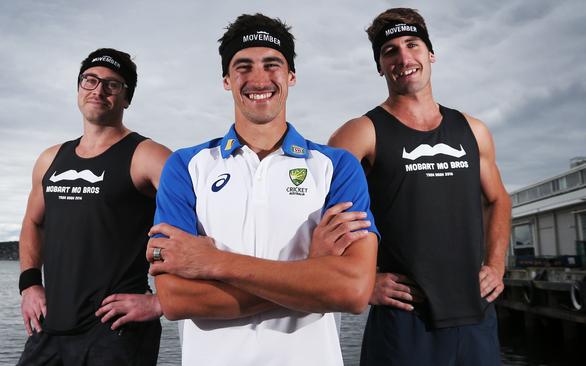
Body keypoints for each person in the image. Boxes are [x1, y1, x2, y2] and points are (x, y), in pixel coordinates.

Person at [146, 13, 380, 366]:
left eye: (272, 64)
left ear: (291, 77)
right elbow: (176, 299)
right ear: (226, 80)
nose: (258, 78)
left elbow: (353, 290)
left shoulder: (337, 167)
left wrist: (215, 263)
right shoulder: (185, 167)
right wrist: (311, 272)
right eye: (243, 66)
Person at [329, 7, 512, 366]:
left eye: (412, 45)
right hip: (404, 322)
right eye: (390, 51)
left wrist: (496, 264)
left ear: (430, 54)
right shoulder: (360, 133)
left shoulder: (473, 130)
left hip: (475, 318)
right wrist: (366, 282)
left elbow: (498, 199)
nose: (403, 57)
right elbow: (314, 212)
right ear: (380, 66)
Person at [17, 48, 171, 365]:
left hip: (115, 331)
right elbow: (34, 223)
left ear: (126, 98)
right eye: (90, 80)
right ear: (79, 88)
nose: (98, 90)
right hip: (52, 326)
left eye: (112, 84)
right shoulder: (50, 159)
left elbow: (205, 223)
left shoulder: (149, 156)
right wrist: (30, 284)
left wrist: (162, 301)